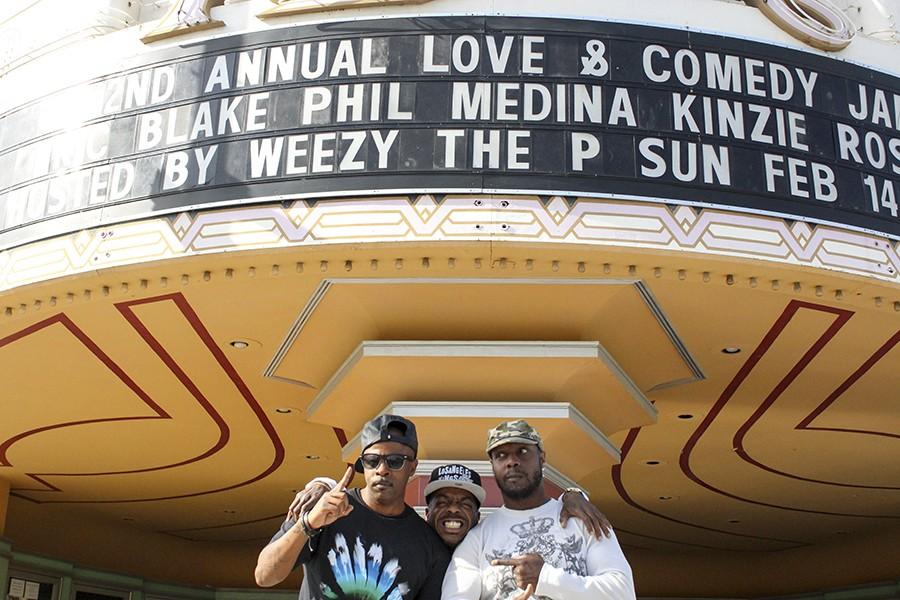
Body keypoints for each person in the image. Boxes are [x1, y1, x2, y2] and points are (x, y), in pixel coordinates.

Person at [255, 414, 449, 599]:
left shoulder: (429, 545)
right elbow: (265, 576)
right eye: (372, 461)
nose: (382, 470)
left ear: (413, 467)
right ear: (363, 465)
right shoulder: (324, 509)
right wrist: (308, 524)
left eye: (395, 461)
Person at [441, 420, 636, 600]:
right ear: (492, 465)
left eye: (523, 452)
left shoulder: (583, 518)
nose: (512, 461)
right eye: (501, 455)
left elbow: (622, 592)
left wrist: (545, 577)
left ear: (542, 458)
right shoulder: (477, 540)